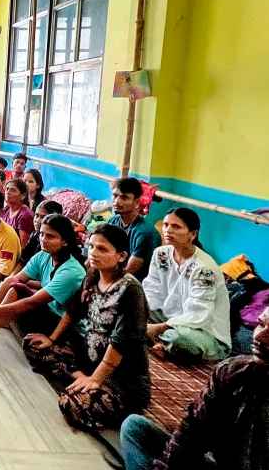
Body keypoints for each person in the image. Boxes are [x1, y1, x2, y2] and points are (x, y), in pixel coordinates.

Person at [107, 308, 269, 470]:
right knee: (135, 429)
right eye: (261, 325)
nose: (260, 337)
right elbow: (193, 427)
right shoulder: (233, 371)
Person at [24, 224, 151, 431]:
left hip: (121, 379)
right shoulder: (92, 277)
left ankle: (99, 394)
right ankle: (79, 378)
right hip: (90, 362)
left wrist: (97, 379)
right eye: (91, 246)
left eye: (102, 249)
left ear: (121, 256)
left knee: (70, 404)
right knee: (34, 345)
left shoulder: (130, 290)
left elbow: (121, 342)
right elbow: (72, 312)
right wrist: (52, 339)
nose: (93, 253)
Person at [0, 214, 86, 349]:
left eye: (50, 236)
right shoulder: (43, 255)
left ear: (65, 241)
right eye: (41, 234)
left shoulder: (71, 272)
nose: (43, 239)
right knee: (13, 284)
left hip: (60, 325)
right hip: (45, 311)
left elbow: (32, 302)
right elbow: (14, 279)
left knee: (16, 289)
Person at [142, 208, 231, 362]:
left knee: (179, 339)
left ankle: (160, 341)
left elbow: (199, 315)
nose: (168, 230)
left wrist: (158, 327)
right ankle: (159, 342)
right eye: (165, 225)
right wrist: (140, 314)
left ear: (193, 234)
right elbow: (151, 289)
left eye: (176, 227)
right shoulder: (161, 254)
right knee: (129, 307)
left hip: (204, 332)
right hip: (171, 317)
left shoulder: (204, 268)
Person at [108, 177, 159, 281]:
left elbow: (128, 271)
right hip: (115, 275)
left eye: (124, 198)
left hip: (134, 284)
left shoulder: (144, 232)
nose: (117, 202)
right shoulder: (113, 221)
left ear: (136, 203)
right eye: (115, 196)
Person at [18, 200, 63, 268]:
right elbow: (22, 261)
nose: (37, 220)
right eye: (36, 215)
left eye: (43, 217)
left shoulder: (58, 243)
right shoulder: (35, 235)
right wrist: (12, 277)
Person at [1, 178, 35, 247]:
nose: (8, 192)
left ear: (23, 196)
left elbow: (23, 245)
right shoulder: (6, 209)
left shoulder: (25, 215)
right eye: (7, 189)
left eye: (13, 190)